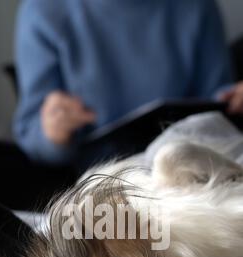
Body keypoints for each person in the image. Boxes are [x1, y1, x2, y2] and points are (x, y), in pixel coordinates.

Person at [14, 0, 234, 169]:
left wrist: (232, 101)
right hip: (100, 183)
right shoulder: (42, 11)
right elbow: (31, 134)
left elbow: (216, 101)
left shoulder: (196, 6)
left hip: (192, 167)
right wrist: (53, 133)